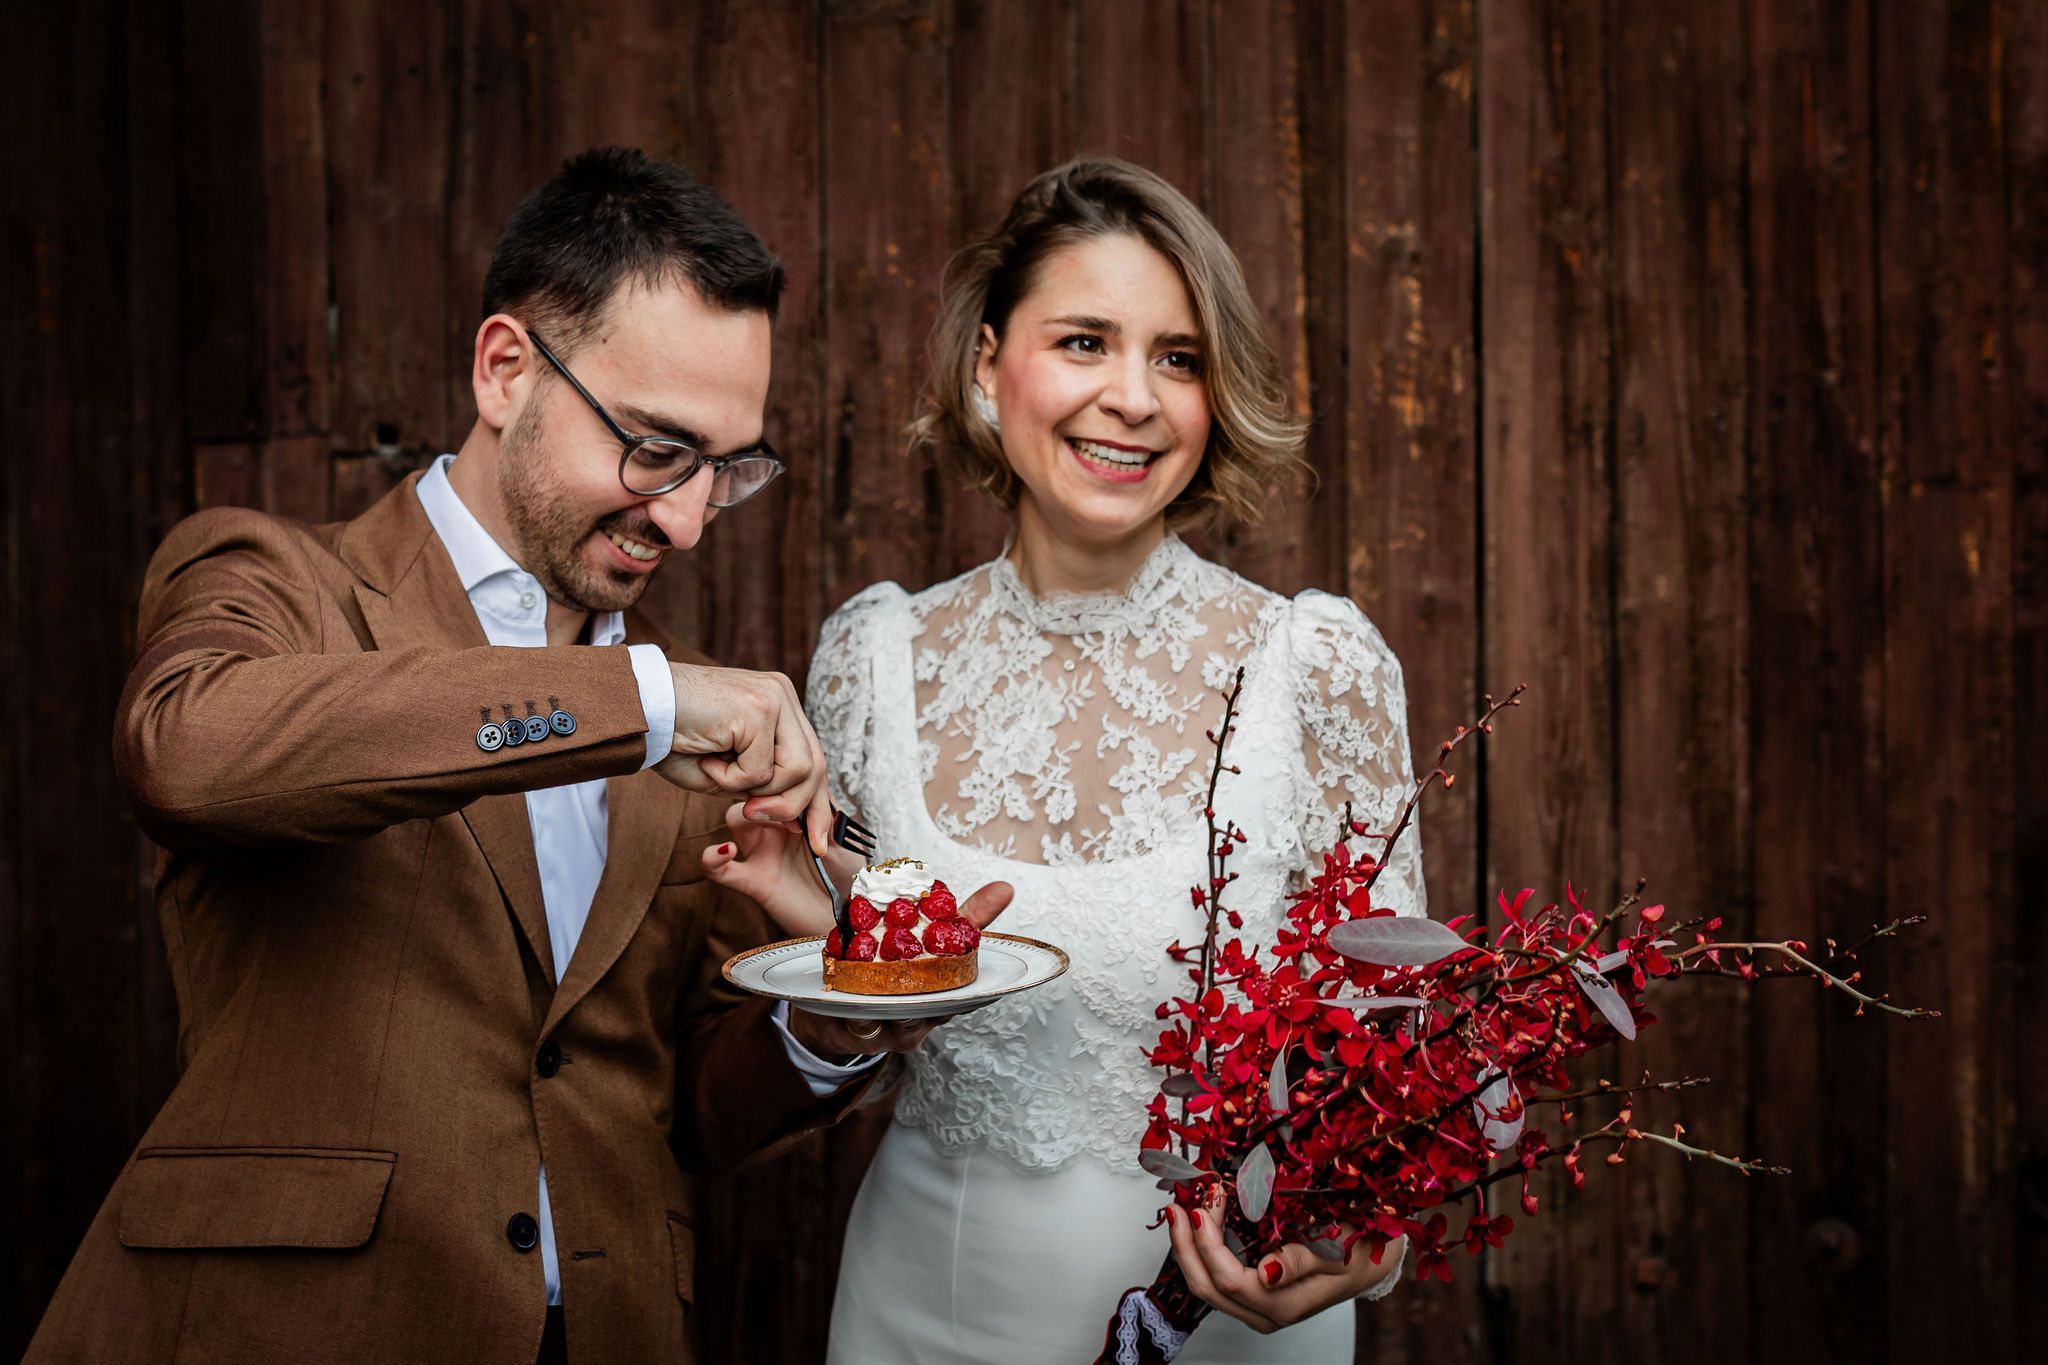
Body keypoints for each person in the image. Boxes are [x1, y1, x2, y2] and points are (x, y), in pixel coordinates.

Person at [25, 147, 1005, 1365]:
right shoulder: (278, 580)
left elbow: (678, 1107)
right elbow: (186, 749)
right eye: (655, 447)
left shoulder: (683, 715)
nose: (688, 517)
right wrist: (640, 697)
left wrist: (837, 1014)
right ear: (504, 371)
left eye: (725, 467)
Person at [705, 158, 1424, 1364]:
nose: (1133, 397)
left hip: (1233, 1321)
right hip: (923, 1306)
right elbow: (877, 1048)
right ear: (988, 364)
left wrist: (1372, 1239)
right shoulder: (871, 658)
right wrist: (831, 949)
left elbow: (1391, 1060)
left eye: (1177, 358)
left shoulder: (1316, 665)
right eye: (1084, 341)